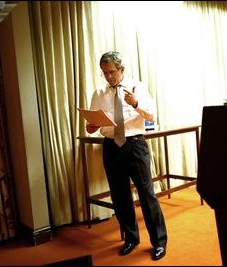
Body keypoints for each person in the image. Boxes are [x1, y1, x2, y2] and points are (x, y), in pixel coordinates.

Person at [85, 51, 167, 261]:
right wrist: (91, 126)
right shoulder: (99, 93)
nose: (109, 77)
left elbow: (151, 116)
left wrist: (136, 104)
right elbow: (94, 125)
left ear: (122, 69)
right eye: (105, 73)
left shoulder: (137, 86)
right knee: (120, 196)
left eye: (112, 72)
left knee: (147, 195)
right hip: (111, 147)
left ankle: (159, 242)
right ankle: (131, 238)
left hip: (134, 145)